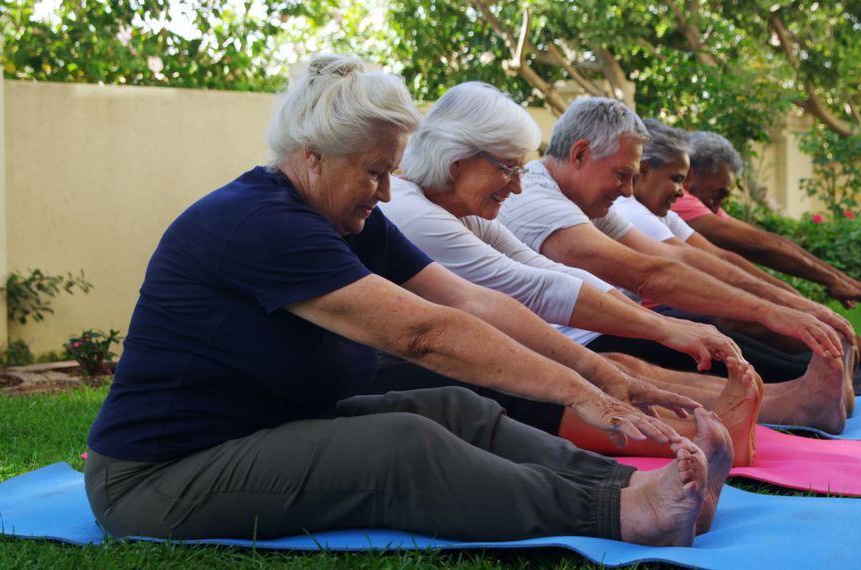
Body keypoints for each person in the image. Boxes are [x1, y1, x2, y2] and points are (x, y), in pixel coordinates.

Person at [82, 54, 715, 547]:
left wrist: (605, 375)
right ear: (312, 156)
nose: (388, 192)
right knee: (402, 449)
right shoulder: (258, 223)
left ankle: (632, 485)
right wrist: (577, 391)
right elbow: (422, 334)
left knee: (452, 409)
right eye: (374, 171)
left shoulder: (346, 217)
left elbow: (470, 302)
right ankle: (623, 514)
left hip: (261, 429)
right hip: (157, 479)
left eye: (391, 171)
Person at [497, 97, 854, 427]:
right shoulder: (534, 201)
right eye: (623, 175)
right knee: (630, 360)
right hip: (561, 345)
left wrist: (791, 305)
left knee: (649, 349)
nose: (627, 192)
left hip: (583, 333)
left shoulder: (576, 196)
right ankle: (797, 401)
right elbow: (647, 275)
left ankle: (799, 397)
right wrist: (772, 310)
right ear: (579, 155)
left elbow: (674, 258)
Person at [618, 120, 861, 365]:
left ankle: (841, 357)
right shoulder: (640, 207)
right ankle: (854, 356)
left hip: (660, 312)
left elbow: (739, 254)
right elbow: (751, 250)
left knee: (745, 312)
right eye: (676, 179)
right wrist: (795, 307)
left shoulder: (660, 208)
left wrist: (805, 303)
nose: (681, 191)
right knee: (735, 314)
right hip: (653, 317)